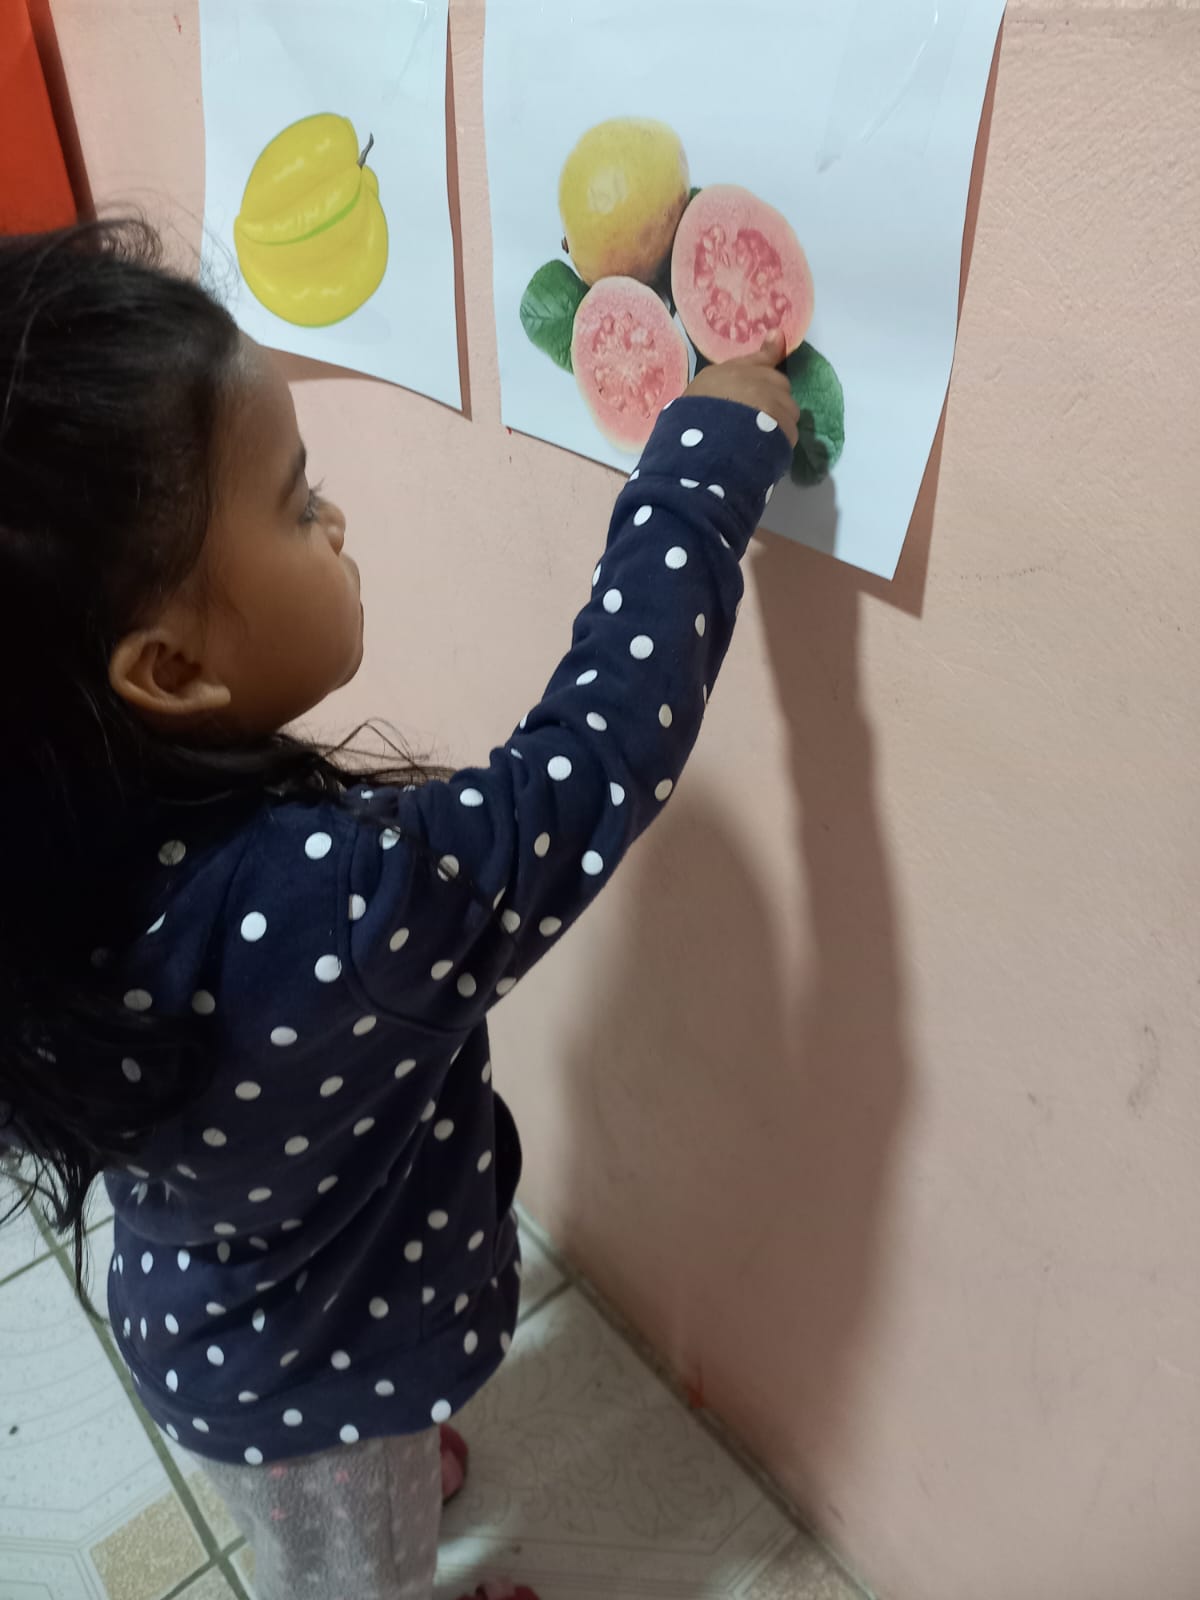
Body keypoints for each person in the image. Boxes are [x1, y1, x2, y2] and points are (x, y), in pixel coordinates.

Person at [0, 218, 799, 1600]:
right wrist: (704, 468)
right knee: (354, 1577)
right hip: (324, 1389)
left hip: (210, 1328)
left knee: (328, 1513)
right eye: (297, 501)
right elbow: (594, 761)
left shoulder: (53, 864)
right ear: (172, 670)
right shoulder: (339, 910)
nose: (337, 520)